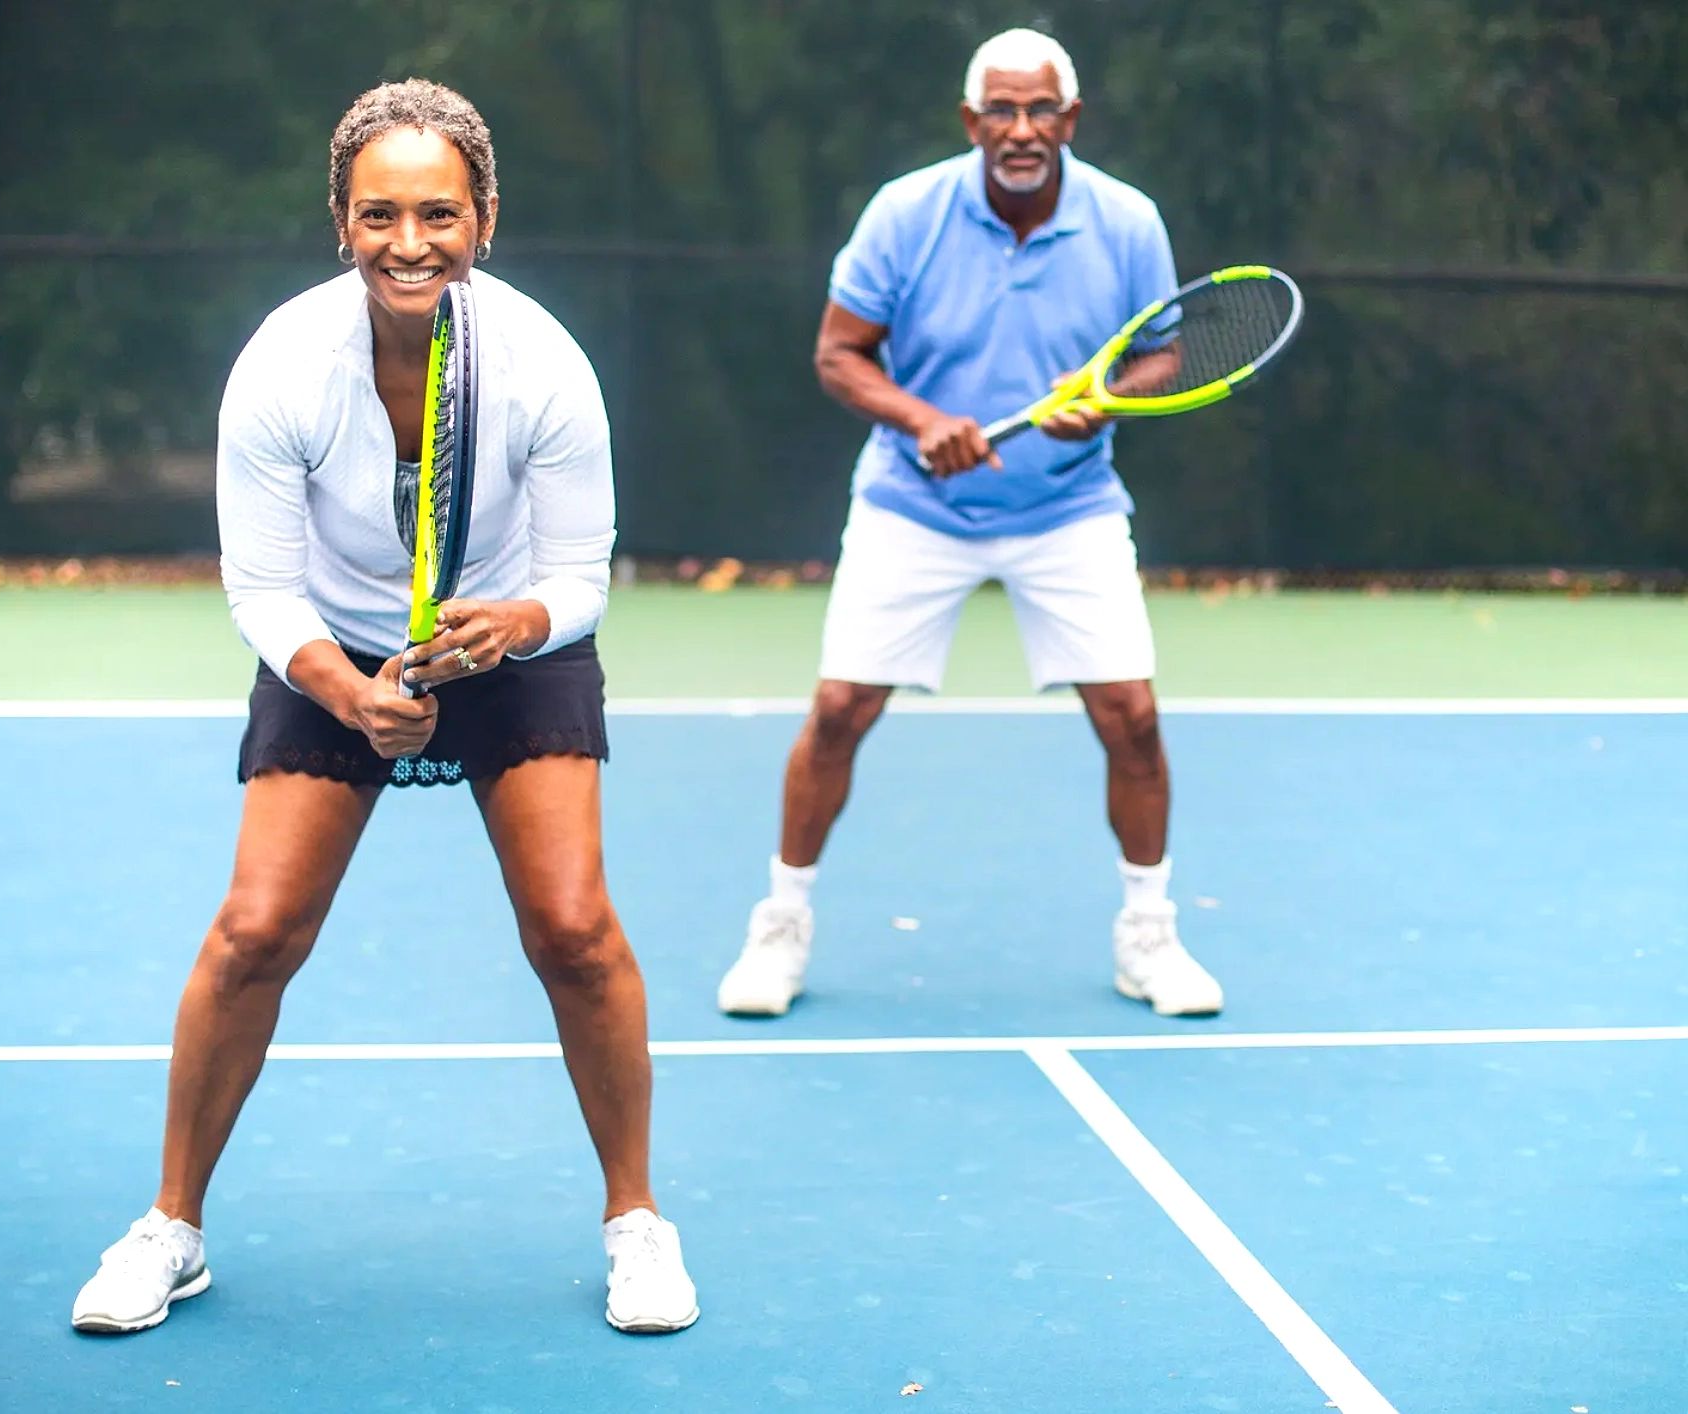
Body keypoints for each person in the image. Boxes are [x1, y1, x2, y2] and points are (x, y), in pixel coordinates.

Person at [71, 79, 698, 1337]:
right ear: (340, 222)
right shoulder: (281, 367)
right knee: (254, 931)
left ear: (485, 217)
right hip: (334, 648)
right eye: (379, 214)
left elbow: (580, 573)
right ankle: (171, 1228)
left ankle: (636, 1221)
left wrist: (513, 625)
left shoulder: (546, 367)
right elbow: (258, 581)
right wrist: (347, 689)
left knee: (574, 931)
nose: (409, 242)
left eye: (437, 213)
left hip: (511, 644)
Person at [716, 28, 1224, 1021]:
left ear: (1069, 120)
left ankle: (1147, 937)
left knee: (1132, 719)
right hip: (914, 505)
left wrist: (1108, 400)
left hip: (1069, 505)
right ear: (970, 120)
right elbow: (838, 355)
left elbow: (1165, 356)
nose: (1020, 129)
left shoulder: (1127, 222)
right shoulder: (905, 214)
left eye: (1040, 110)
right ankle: (778, 926)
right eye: (1001, 109)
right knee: (836, 715)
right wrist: (922, 419)